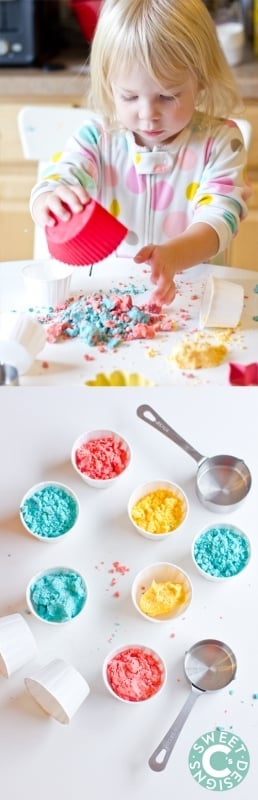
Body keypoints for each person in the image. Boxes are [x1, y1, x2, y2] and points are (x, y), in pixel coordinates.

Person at [30, 0, 250, 306]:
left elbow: (220, 218)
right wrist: (48, 199)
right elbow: (60, 178)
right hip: (107, 299)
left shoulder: (221, 143)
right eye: (130, 96)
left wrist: (174, 255)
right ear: (109, 84)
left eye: (167, 95)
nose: (148, 114)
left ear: (199, 78)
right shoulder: (96, 139)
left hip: (193, 301)